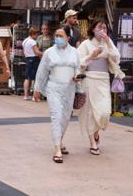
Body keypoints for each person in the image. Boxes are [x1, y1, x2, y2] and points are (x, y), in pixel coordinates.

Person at [77, 18, 125, 155]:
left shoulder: (107, 43)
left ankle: (96, 132)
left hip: (104, 80)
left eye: (104, 28)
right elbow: (78, 62)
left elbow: (116, 57)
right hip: (90, 80)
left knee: (104, 111)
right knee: (90, 112)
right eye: (99, 27)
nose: (102, 30)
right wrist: (92, 55)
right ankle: (92, 142)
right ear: (93, 29)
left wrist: (109, 42)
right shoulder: (85, 44)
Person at [34, 28, 80, 163]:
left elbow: (78, 68)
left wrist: (78, 78)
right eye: (56, 35)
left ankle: (59, 141)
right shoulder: (49, 52)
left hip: (69, 88)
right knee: (56, 116)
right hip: (53, 88)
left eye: (61, 35)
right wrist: (37, 88)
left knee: (65, 118)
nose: (57, 38)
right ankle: (57, 149)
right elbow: (42, 71)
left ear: (68, 38)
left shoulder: (75, 53)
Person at [22, 27, 42, 100]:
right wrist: (44, 54)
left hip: (28, 59)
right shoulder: (33, 42)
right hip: (34, 59)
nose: (37, 36)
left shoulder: (25, 41)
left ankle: (26, 95)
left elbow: (24, 52)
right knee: (36, 78)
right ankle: (35, 96)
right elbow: (37, 52)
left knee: (27, 78)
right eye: (37, 34)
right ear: (34, 34)